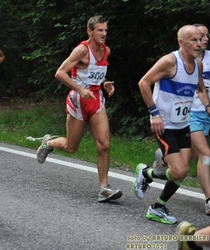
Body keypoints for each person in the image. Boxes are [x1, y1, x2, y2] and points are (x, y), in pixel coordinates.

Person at [36, 15, 122, 203]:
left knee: (104, 144)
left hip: (96, 99)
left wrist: (104, 83)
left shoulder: (106, 51)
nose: (104, 34)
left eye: (105, 30)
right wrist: (80, 89)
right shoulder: (81, 50)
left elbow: (95, 74)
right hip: (78, 99)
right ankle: (48, 143)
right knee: (71, 147)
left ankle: (104, 188)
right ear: (89, 31)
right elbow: (60, 73)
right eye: (99, 30)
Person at [135, 25, 209, 224]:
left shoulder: (198, 65)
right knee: (179, 170)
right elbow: (144, 82)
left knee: (182, 170)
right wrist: (154, 113)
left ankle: (157, 205)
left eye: (200, 40)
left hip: (182, 124)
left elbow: (201, 89)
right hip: (164, 125)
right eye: (193, 40)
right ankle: (146, 174)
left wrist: (208, 105)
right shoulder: (170, 61)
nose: (199, 43)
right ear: (181, 42)